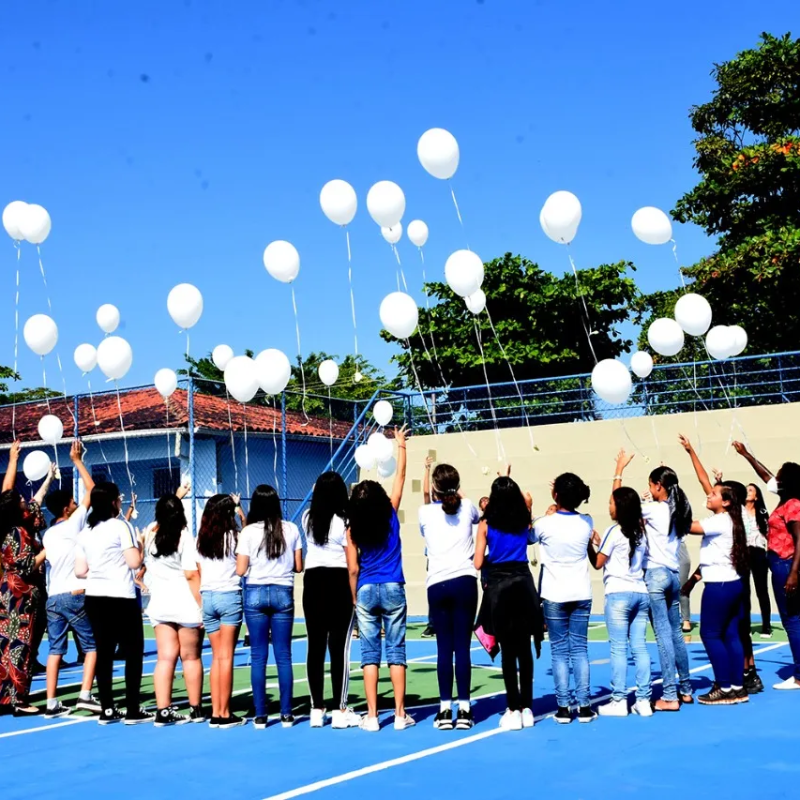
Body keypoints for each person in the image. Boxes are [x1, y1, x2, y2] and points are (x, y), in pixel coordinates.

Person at [678, 437, 763, 694]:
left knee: (712, 634)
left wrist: (672, 501)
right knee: (733, 633)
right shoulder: (733, 518)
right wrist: (692, 451)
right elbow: (706, 482)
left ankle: (727, 685)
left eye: (715, 493)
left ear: (727, 500)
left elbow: (687, 526)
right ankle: (738, 683)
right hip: (734, 581)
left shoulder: (719, 521)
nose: (709, 493)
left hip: (721, 584)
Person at [346, 426, 414, 732]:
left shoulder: (352, 528)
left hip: (366, 588)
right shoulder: (389, 512)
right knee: (396, 651)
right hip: (392, 585)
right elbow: (400, 478)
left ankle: (372, 716)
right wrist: (401, 446)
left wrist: (354, 596)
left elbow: (352, 568)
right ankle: (400, 714)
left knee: (369, 653)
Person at [613, 450, 693, 710]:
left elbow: (619, 507)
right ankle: (685, 688)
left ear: (659, 486)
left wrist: (619, 470)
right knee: (676, 634)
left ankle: (670, 695)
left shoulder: (656, 510)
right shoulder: (678, 508)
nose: (649, 489)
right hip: (671, 574)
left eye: (651, 485)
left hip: (656, 575)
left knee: (663, 636)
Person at [74, 482, 151, 725]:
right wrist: (142, 542)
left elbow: (80, 570)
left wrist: (101, 570)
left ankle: (107, 708)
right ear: (113, 502)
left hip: (95, 596)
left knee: (104, 652)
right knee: (133, 652)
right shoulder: (121, 526)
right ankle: (132, 709)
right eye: (118, 498)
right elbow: (134, 562)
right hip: (121, 596)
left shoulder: (85, 533)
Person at [474, 476, 543, 731]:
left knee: (508, 650)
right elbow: (527, 533)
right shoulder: (522, 519)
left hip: (500, 587)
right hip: (524, 584)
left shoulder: (486, 524)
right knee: (524, 649)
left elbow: (478, 563)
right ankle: (527, 708)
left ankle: (512, 708)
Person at [733, 442, 800, 689]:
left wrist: (793, 573)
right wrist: (746, 454)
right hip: (782, 565)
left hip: (786, 566)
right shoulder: (786, 500)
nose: (776, 476)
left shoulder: (793, 504)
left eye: (781, 473)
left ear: (788, 480)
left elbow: (799, 539)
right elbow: (766, 476)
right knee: (794, 620)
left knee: (792, 621)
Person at [41, 441, 101, 718]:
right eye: (73, 504)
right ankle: (85, 695)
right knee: (92, 647)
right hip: (75, 593)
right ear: (67, 509)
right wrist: (77, 460)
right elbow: (92, 491)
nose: (78, 505)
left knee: (55, 650)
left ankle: (52, 702)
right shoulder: (72, 523)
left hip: (53, 597)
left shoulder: (48, 534)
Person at [236, 484, 303, 729]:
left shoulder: (248, 532)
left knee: (258, 656)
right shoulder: (291, 528)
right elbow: (298, 566)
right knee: (284, 656)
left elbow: (241, 569)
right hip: (283, 591)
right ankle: (286, 713)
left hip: (254, 592)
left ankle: (261, 715)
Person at [419, 463, 480, 730]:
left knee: (444, 648)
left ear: (434, 486)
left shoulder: (425, 513)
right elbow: (470, 508)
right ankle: (465, 709)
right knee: (462, 648)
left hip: (438, 585)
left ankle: (445, 710)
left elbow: (428, 501)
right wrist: (455, 487)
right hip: (465, 582)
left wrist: (432, 479)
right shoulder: (467, 507)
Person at [532, 472, 595, 724]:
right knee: (580, 649)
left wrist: (546, 509)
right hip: (581, 591)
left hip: (555, 592)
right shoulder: (587, 521)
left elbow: (528, 537)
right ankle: (585, 706)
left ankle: (563, 707)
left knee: (559, 651)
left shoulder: (545, 524)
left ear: (556, 494)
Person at [301, 472, 360, 729]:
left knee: (315, 647)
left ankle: (317, 708)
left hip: (312, 582)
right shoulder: (345, 521)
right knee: (339, 649)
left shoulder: (307, 519)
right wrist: (355, 595)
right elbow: (352, 565)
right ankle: (339, 708)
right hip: (337, 583)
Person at [143, 487, 205, 726]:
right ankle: (195, 708)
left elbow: (158, 520)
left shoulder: (150, 533)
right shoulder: (185, 537)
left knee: (165, 658)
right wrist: (202, 606)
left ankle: (163, 710)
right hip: (186, 604)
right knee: (190, 658)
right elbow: (191, 575)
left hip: (160, 604)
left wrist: (174, 498)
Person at [589, 486, 651, 717]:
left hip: (618, 593)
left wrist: (589, 543)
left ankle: (619, 700)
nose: (609, 507)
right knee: (640, 646)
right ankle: (643, 700)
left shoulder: (614, 532)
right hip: (639, 591)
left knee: (618, 648)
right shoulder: (641, 532)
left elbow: (598, 562)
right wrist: (599, 541)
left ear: (620, 506)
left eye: (611, 503)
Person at [196, 494, 244, 727]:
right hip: (228, 596)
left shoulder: (202, 539)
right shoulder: (235, 537)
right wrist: (239, 509)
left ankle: (216, 711)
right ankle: (224, 713)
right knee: (226, 657)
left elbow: (197, 569)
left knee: (216, 658)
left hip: (208, 597)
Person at [0, 488, 48, 714]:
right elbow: (27, 565)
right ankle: (19, 700)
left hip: (6, 591)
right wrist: (47, 551)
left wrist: (47, 480)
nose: (24, 500)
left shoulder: (8, 530)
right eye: (20, 499)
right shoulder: (19, 532)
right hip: (21, 595)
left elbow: (34, 505)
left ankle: (5, 698)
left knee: (5, 645)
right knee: (21, 645)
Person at [744, 482, 772, 637]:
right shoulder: (739, 511)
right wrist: (719, 481)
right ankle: (746, 625)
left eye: (751, 490)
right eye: (746, 490)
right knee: (744, 591)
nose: (748, 492)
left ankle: (766, 626)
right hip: (744, 552)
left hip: (759, 552)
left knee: (762, 590)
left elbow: (769, 533)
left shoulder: (762, 512)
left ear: (756, 496)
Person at [420, 456, 436, 640]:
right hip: (433, 558)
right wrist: (427, 469)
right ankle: (433, 624)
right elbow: (425, 493)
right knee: (433, 590)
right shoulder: (430, 511)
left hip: (448, 558)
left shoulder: (456, 510)